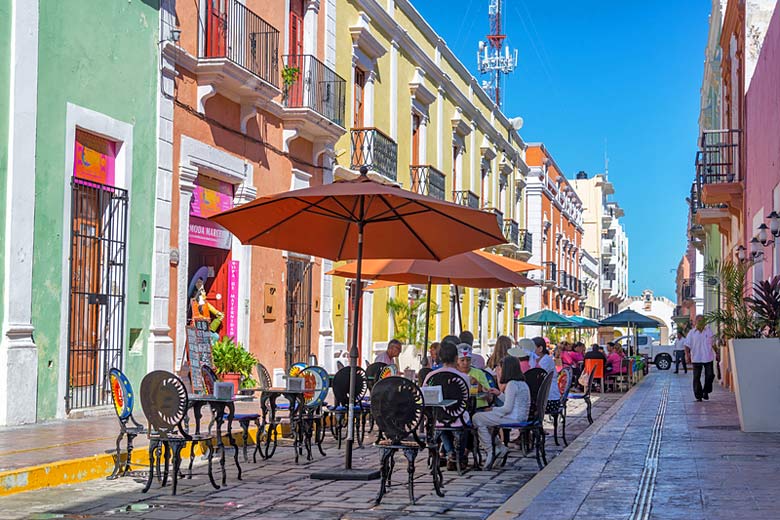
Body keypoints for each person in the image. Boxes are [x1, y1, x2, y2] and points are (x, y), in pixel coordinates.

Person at [473, 356, 530, 468]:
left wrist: (492, 409)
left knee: (477, 418)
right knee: (484, 421)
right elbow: (512, 402)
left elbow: (507, 408)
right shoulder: (521, 383)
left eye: (499, 367)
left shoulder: (511, 385)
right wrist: (499, 394)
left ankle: (491, 450)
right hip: (520, 416)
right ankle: (499, 447)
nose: (498, 370)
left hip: (513, 417)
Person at [423, 340, 469, 470]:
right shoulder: (463, 377)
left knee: (440, 419)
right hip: (458, 418)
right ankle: (456, 455)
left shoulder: (431, 375)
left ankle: (450, 453)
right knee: (464, 418)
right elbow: (466, 399)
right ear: (456, 358)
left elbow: (425, 395)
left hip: (438, 418)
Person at [684, 316, 715, 401]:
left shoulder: (708, 331)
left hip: (708, 357)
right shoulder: (691, 333)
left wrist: (718, 352)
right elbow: (686, 345)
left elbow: (713, 343)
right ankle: (699, 396)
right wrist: (687, 356)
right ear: (695, 322)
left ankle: (706, 391)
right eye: (698, 321)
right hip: (696, 357)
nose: (700, 322)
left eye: (702, 320)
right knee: (696, 378)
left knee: (710, 375)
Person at [456, 344, 492, 409]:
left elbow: (490, 397)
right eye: (462, 360)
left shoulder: (479, 373)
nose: (466, 363)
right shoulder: (454, 373)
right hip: (460, 409)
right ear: (456, 360)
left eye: (468, 360)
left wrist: (479, 386)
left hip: (479, 408)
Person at [531, 336, 561, 412]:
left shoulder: (546, 361)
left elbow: (535, 376)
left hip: (550, 400)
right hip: (546, 399)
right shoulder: (540, 360)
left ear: (540, 349)